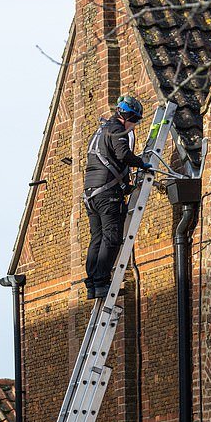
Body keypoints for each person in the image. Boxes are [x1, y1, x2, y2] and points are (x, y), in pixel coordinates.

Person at [83, 95, 153, 299]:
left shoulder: (101, 130)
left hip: (91, 194)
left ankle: (92, 284)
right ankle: (102, 281)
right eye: (135, 120)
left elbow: (107, 159)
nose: (134, 125)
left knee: (97, 238)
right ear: (128, 116)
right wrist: (141, 163)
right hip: (108, 195)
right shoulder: (117, 130)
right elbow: (123, 154)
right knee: (111, 238)